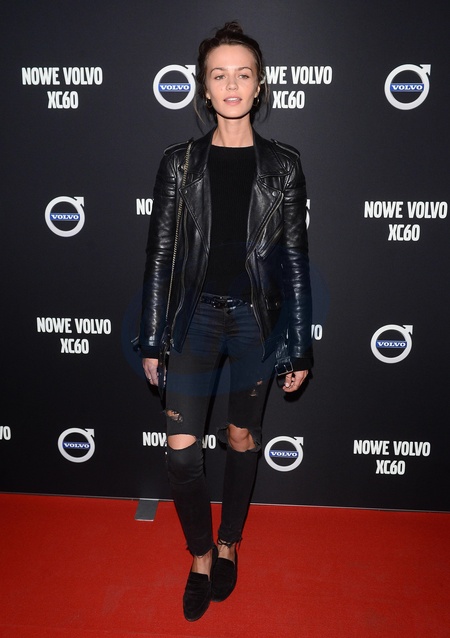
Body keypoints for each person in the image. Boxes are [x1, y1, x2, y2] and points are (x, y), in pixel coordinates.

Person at [139, 21, 313, 621]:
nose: (232, 85)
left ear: (259, 86)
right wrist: (152, 338)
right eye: (220, 75)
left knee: (242, 438)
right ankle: (200, 554)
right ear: (204, 87)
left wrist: (298, 344)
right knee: (182, 455)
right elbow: (160, 256)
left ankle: (231, 541)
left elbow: (294, 262)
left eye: (243, 75)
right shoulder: (178, 164)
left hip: (254, 325)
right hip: (192, 321)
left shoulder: (284, 166)